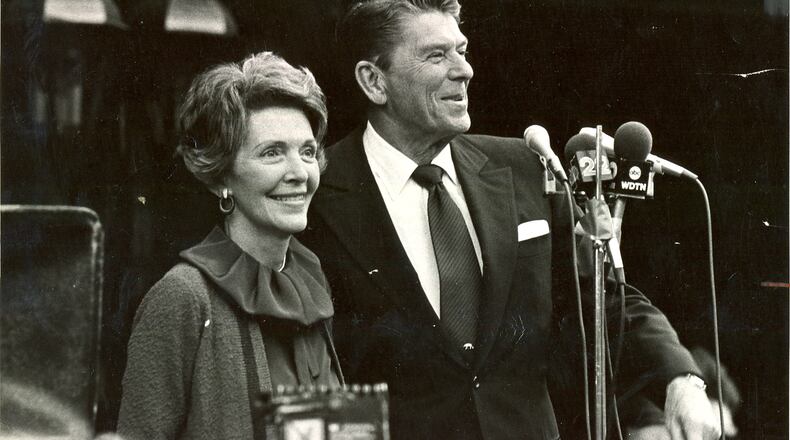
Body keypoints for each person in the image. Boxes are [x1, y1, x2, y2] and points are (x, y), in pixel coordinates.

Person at [298, 1, 720, 439]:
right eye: (437, 55)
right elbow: (303, 360)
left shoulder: (525, 167)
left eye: (462, 50)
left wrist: (681, 381)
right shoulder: (315, 193)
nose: (465, 71)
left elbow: (601, 299)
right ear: (373, 80)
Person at [117, 52, 342, 439]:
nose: (299, 173)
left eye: (307, 151)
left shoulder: (308, 279)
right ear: (221, 174)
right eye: (272, 152)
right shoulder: (183, 297)